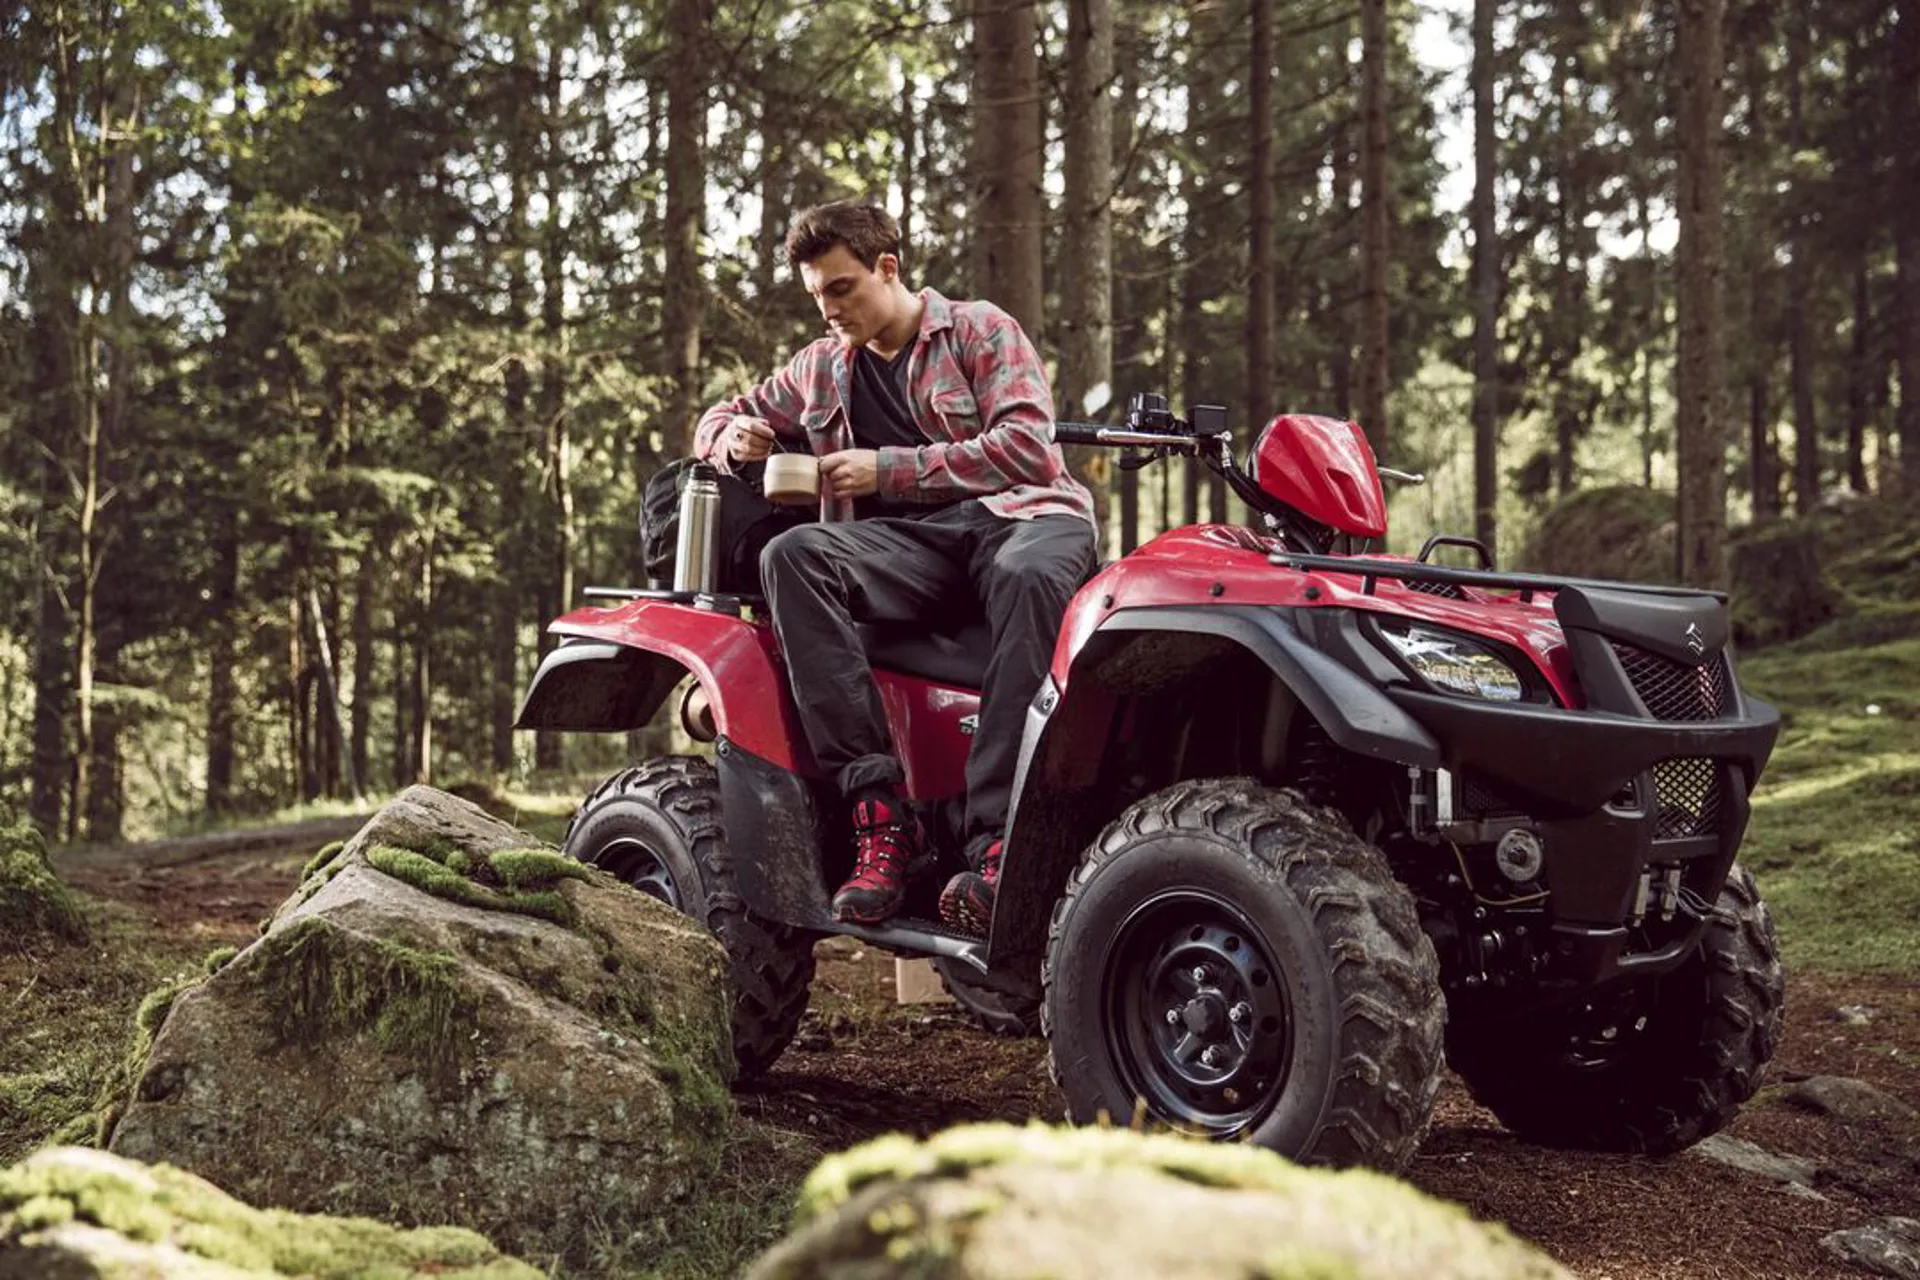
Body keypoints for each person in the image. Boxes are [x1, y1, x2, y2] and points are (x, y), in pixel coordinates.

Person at [692, 200, 1095, 937]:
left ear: (887, 267)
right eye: (817, 294)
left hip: (1024, 520)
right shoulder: (819, 366)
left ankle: (999, 845)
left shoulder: (979, 329)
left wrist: (888, 470)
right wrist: (734, 435)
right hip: (915, 553)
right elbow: (716, 418)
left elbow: (1028, 449)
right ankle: (881, 820)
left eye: (841, 288)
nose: (829, 308)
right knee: (793, 555)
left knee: (1030, 578)